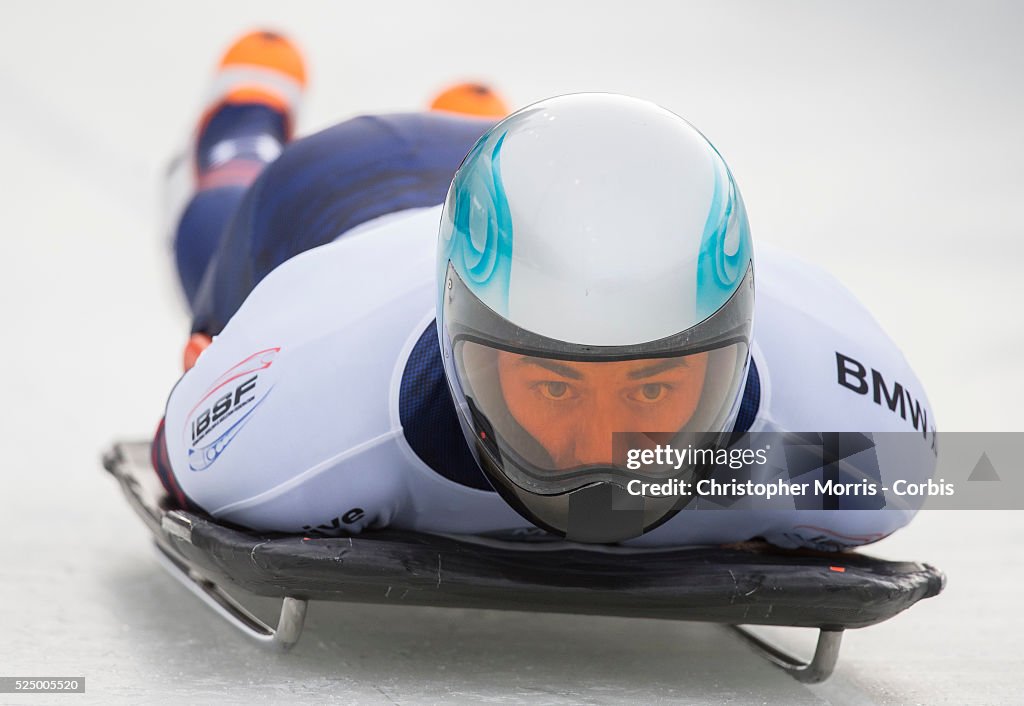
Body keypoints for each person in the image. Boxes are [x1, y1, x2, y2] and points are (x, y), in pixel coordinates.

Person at [153, 30, 937, 550]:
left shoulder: (872, 447)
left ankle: (475, 124)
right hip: (338, 190)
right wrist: (214, 369)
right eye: (557, 388)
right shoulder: (305, 414)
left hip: (539, 189)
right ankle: (245, 118)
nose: (605, 461)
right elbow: (181, 453)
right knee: (220, 217)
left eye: (654, 387)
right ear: (463, 359)